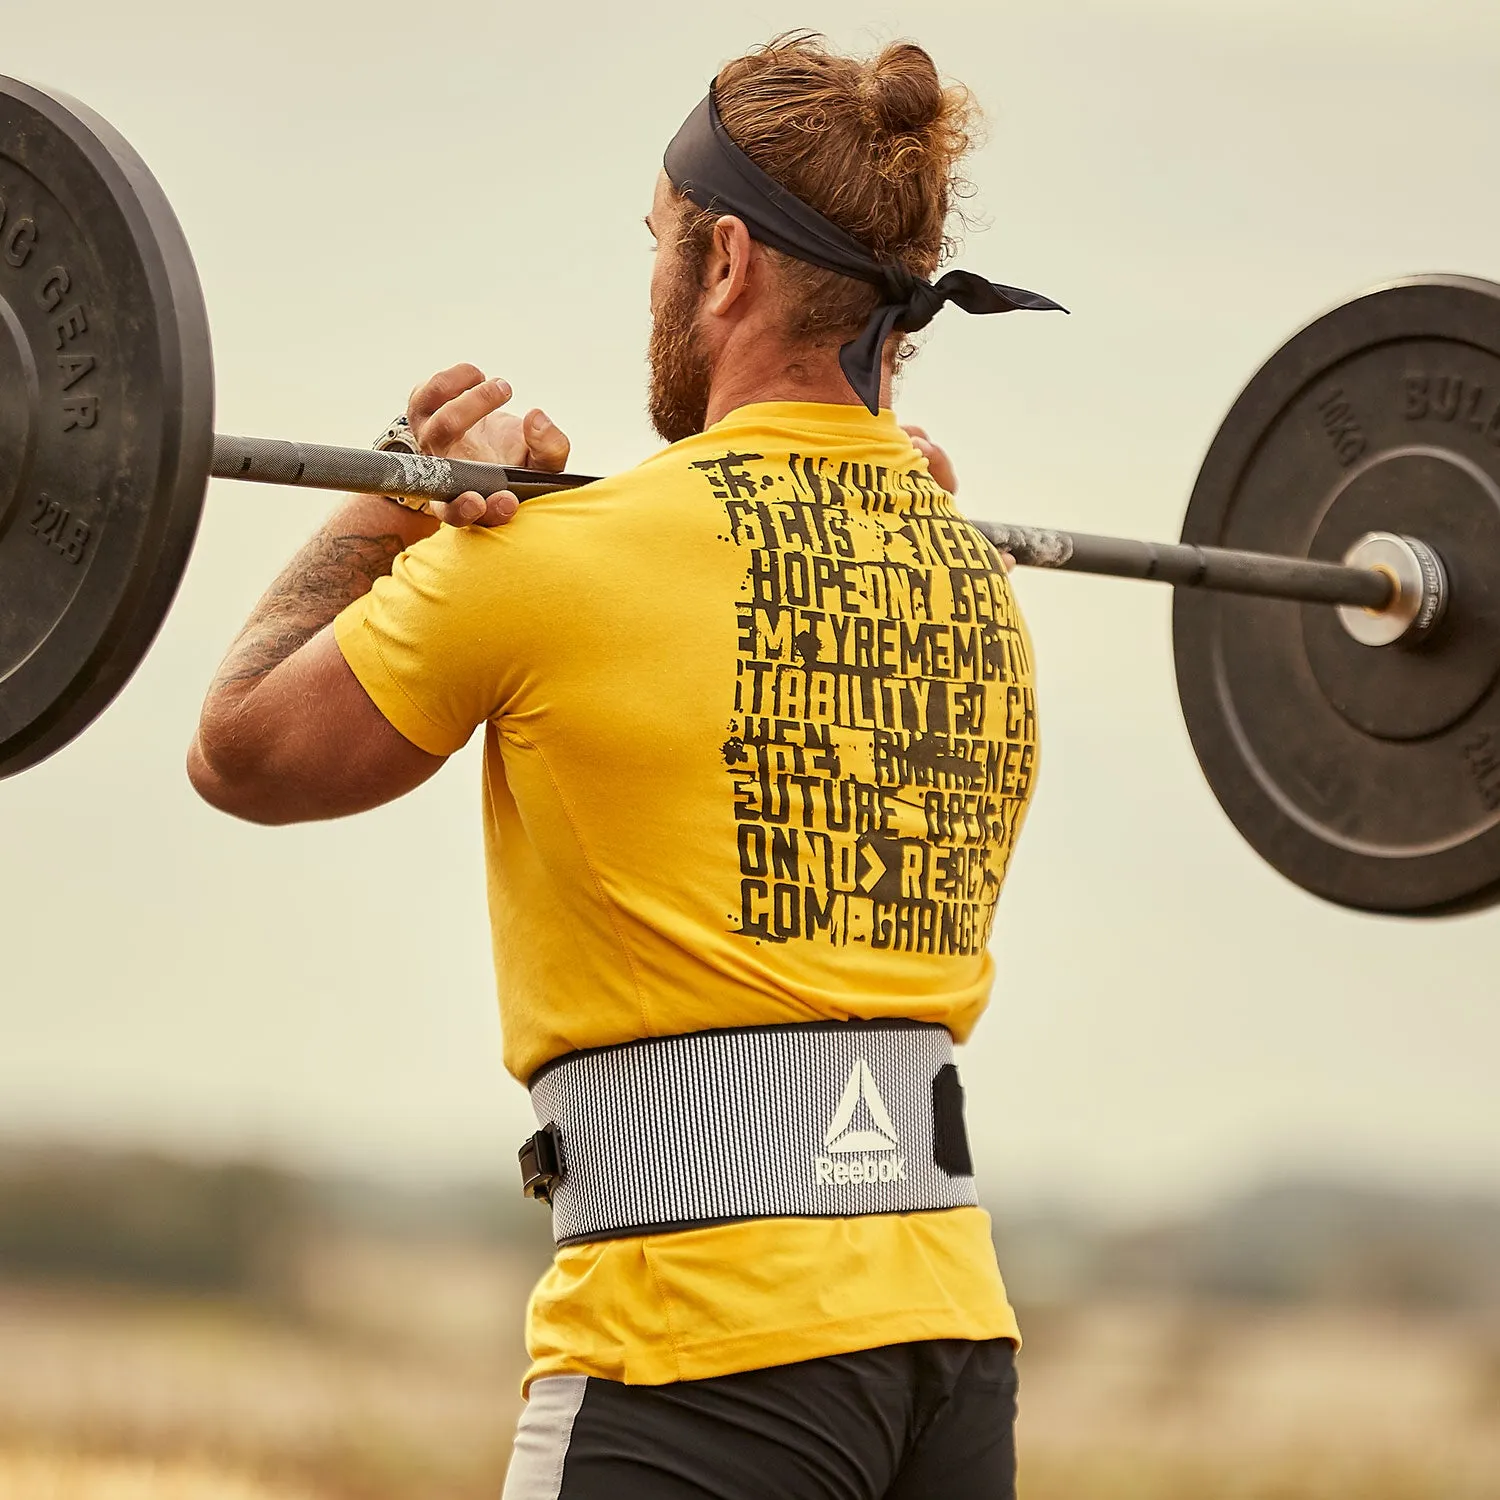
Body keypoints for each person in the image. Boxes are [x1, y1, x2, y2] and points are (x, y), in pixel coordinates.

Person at [188, 32, 1055, 1500]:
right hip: (951, 1356)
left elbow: (245, 748)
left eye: (655, 244)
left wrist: (398, 489)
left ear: (723, 264)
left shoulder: (547, 564)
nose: (649, 278)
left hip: (696, 1350)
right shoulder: (971, 576)